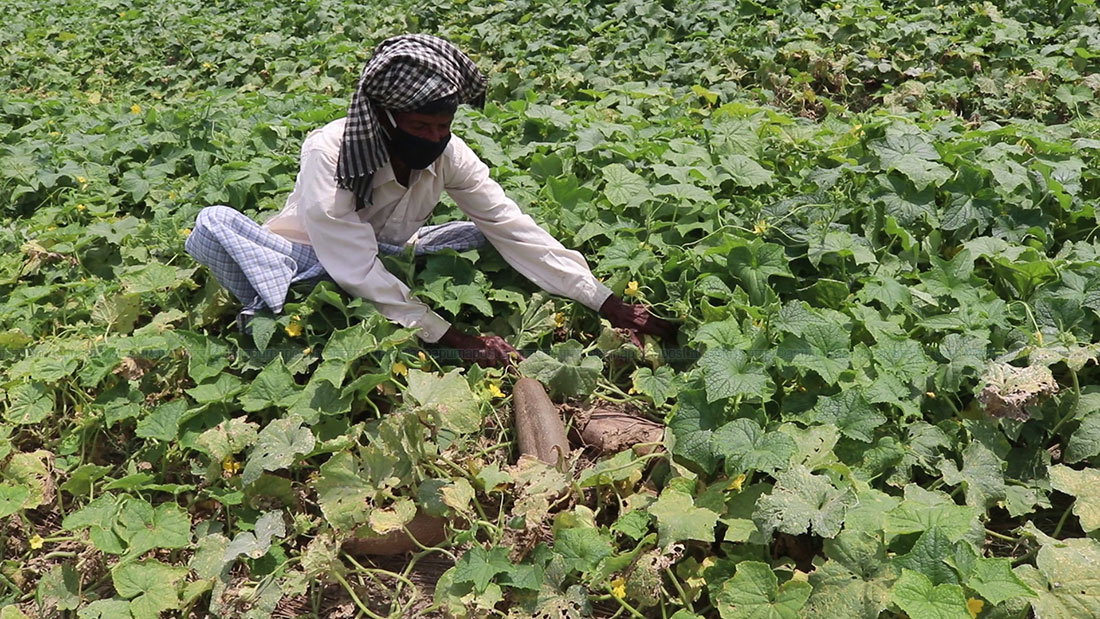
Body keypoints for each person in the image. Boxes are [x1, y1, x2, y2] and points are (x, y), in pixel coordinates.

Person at [186, 34, 675, 366]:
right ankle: (273, 304)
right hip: (313, 256)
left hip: (390, 254)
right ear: (384, 116)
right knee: (213, 223)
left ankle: (391, 299)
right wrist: (451, 337)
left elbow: (508, 222)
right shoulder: (331, 152)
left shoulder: (449, 153)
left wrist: (604, 300)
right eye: (421, 126)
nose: (435, 137)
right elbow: (352, 266)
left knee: (481, 234)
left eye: (444, 125)